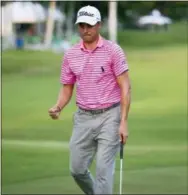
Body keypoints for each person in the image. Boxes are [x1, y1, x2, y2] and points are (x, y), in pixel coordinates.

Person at [48, 5, 131, 194]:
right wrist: (58, 106)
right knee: (77, 170)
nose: (85, 30)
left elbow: (126, 87)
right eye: (82, 25)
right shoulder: (70, 54)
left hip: (110, 116)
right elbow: (67, 87)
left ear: (99, 25)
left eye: (90, 25)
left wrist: (123, 121)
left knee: (103, 171)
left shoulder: (113, 51)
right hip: (83, 117)